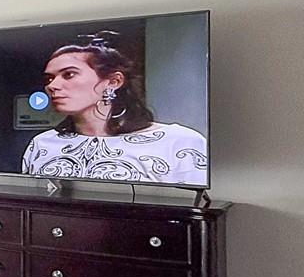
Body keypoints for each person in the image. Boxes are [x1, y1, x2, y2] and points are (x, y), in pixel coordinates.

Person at [21, 32, 207, 184]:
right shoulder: (42, 144)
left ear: (113, 81)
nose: (52, 86)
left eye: (69, 74)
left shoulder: (179, 143)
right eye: (49, 79)